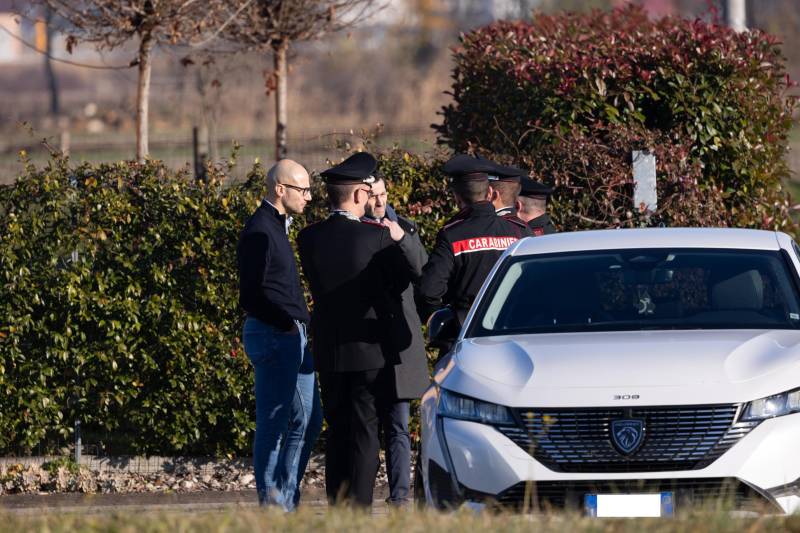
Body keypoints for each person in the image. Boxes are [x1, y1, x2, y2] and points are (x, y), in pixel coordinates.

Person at [297, 152, 420, 508]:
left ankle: (338, 504)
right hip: (370, 348)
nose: (370, 200)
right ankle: (360, 508)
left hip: (330, 347)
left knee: (337, 429)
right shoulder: (377, 236)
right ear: (356, 196)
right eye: (366, 193)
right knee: (366, 430)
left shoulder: (309, 237)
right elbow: (407, 279)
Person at [237, 159, 323, 510]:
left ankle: (285, 500)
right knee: (273, 424)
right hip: (277, 334)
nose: (309, 196)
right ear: (280, 189)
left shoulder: (276, 227)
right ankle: (274, 508)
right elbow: (251, 294)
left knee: (309, 419)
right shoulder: (260, 230)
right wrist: (286, 323)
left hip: (290, 335)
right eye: (302, 189)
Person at [362, 172, 430, 507]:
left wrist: (401, 236)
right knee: (366, 425)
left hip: (400, 343)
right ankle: (358, 497)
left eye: (384, 194)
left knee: (399, 425)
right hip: (365, 341)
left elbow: (424, 271)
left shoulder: (405, 227)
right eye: (373, 195)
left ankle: (399, 497)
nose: (379, 201)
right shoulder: (354, 232)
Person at [418, 154, 531, 326]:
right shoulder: (517, 230)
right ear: (491, 193)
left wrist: (438, 319)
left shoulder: (452, 234)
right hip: (512, 326)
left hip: (466, 328)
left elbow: (428, 290)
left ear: (457, 198)